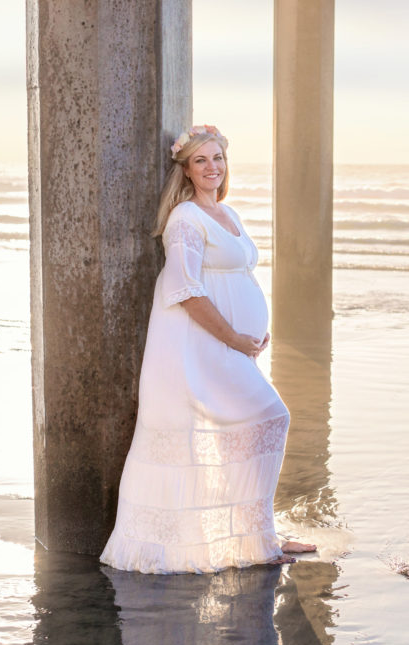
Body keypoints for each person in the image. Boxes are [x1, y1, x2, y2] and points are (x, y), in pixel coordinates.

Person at [100, 125, 316, 573]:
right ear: (186, 169)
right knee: (268, 417)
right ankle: (255, 535)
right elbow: (185, 290)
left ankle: (258, 533)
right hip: (203, 345)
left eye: (217, 158)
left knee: (248, 428)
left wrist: (250, 327)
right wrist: (235, 336)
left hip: (230, 345)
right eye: (201, 160)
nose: (211, 167)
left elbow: (234, 277)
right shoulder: (184, 220)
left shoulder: (227, 213)